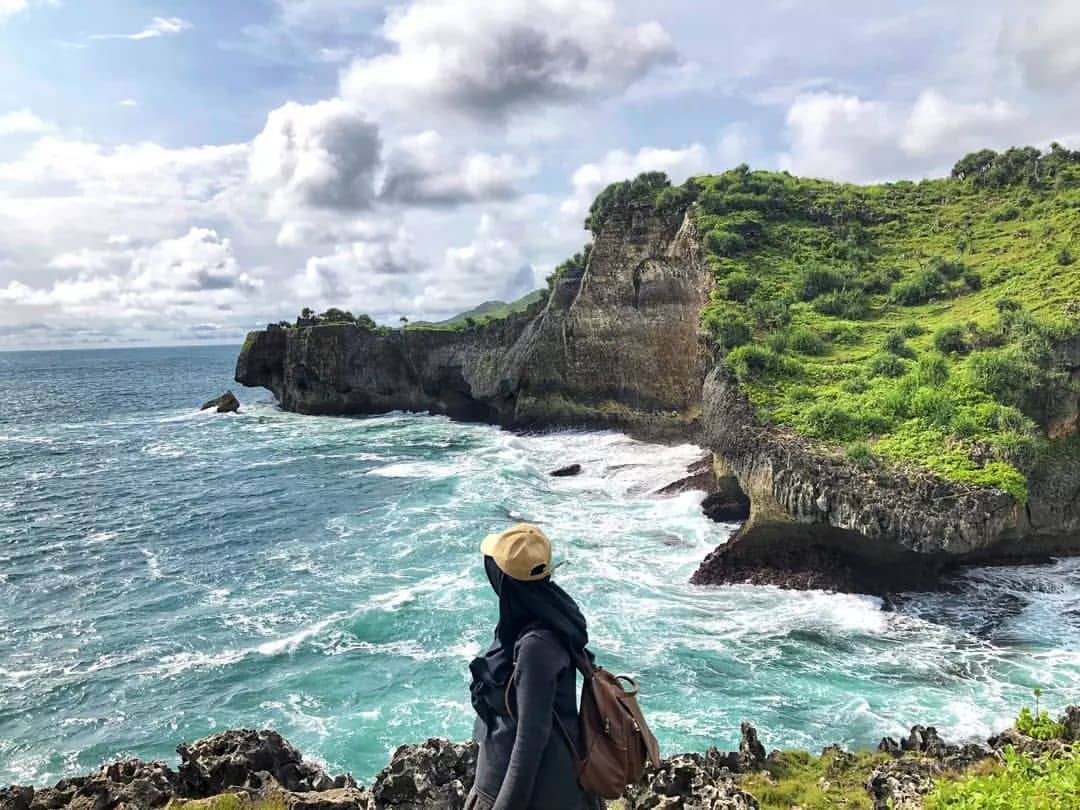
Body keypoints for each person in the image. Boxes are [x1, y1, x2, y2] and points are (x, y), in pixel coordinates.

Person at [466, 523, 601, 810]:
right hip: (507, 784)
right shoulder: (535, 616)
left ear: (502, 579)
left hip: (536, 796)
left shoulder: (536, 645)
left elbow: (531, 737)